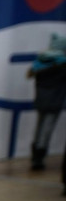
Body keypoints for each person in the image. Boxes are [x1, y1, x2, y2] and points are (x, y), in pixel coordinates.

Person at [26, 33, 66, 174]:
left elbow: (30, 75)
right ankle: (39, 159)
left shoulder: (40, 62)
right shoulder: (62, 65)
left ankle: (35, 155)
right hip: (55, 101)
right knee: (46, 130)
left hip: (41, 100)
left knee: (39, 128)